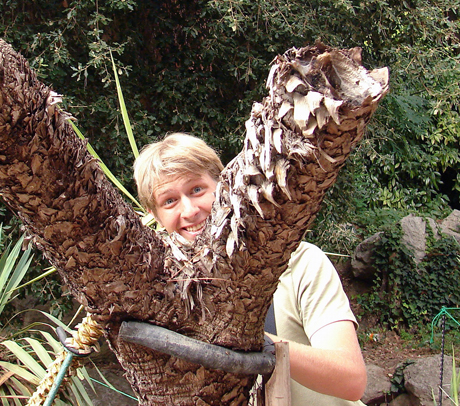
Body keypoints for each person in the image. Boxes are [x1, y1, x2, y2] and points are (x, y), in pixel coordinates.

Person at [133, 132, 367, 406]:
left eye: (197, 189)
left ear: (224, 186)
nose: (190, 210)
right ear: (154, 214)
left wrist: (254, 342)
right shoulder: (166, 291)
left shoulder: (299, 262)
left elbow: (351, 381)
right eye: (169, 201)